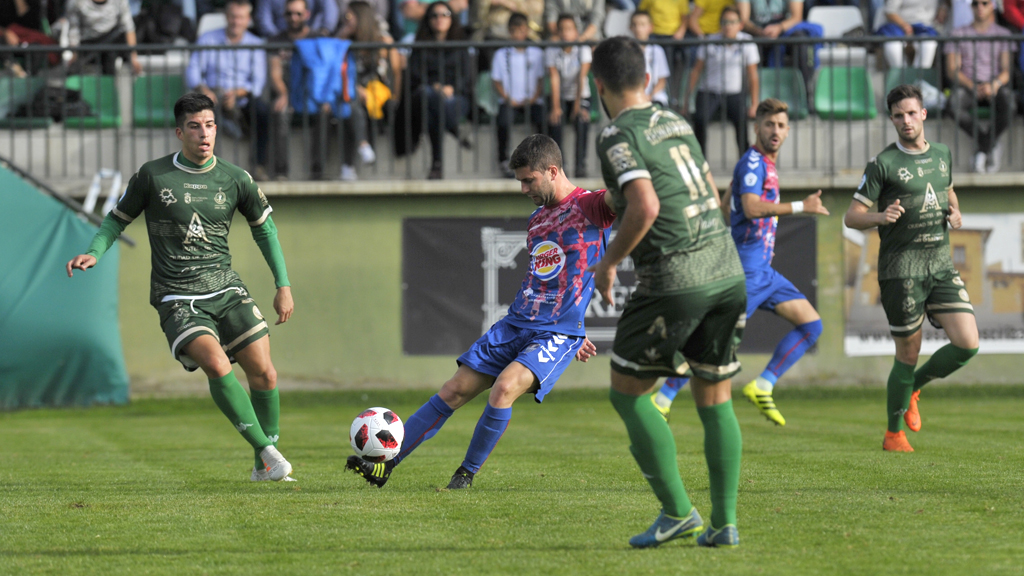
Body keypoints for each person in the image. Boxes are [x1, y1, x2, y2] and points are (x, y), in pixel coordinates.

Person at [345, 134, 613, 489]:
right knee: (454, 390)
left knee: (503, 389)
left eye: (528, 180)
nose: (522, 188)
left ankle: (464, 476)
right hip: (517, 323)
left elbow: (629, 193)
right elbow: (546, 278)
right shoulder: (536, 221)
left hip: (555, 332)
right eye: (519, 180)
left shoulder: (591, 206)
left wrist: (571, 330)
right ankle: (385, 465)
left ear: (552, 171)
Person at [66, 93, 296, 481]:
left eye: (209, 125)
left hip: (225, 287)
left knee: (266, 375)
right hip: (178, 296)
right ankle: (268, 451)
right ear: (179, 132)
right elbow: (116, 219)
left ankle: (262, 466)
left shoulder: (236, 179)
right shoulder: (153, 176)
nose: (203, 133)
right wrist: (94, 251)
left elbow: (266, 231)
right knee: (217, 364)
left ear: (216, 130)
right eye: (194, 126)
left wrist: (283, 285)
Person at [590, 35, 745, 549]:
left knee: (627, 391)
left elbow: (647, 206)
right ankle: (724, 525)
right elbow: (705, 187)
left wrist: (609, 263)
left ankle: (677, 511)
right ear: (650, 79)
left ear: (599, 85)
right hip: (726, 268)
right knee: (715, 395)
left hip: (676, 277)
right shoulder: (678, 122)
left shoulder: (614, 134)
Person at [653, 98, 828, 426]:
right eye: (768, 124)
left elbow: (725, 206)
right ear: (756, 127)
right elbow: (749, 207)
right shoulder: (752, 163)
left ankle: (763, 385)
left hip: (764, 271)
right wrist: (801, 207)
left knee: (812, 325)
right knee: (712, 337)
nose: (774, 131)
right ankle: (662, 399)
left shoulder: (764, 165)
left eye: (780, 125)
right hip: (748, 271)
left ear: (788, 131)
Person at [843, 84, 979, 453]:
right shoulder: (883, 164)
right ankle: (892, 434)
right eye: (898, 115)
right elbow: (851, 216)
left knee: (968, 343)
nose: (905, 120)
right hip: (901, 270)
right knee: (907, 352)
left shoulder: (942, 154)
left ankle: (914, 386)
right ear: (892, 120)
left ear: (923, 114)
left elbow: (947, 191)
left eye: (910, 113)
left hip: (939, 262)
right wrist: (880, 216)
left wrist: (956, 210)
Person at [186, 0, 271, 179]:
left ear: (248, 20)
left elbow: (257, 83)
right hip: (212, 94)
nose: (236, 22)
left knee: (263, 112)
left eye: (240, 17)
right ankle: (206, 168)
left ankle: (259, 166)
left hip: (243, 97)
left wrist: (237, 93)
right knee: (203, 117)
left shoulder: (256, 44)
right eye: (233, 17)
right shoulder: (208, 38)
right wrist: (204, 90)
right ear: (226, 17)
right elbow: (193, 70)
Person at [943, 0, 1015, 173]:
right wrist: (972, 86)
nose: (980, 7)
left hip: (995, 85)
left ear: (993, 6)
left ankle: (982, 150)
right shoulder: (958, 33)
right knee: (953, 105)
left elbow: (1007, 70)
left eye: (984, 3)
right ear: (971, 7)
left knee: (1011, 105)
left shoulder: (1003, 33)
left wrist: (994, 84)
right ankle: (989, 145)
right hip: (968, 85)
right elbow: (952, 70)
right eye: (976, 3)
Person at [336, 0, 403, 179]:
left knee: (350, 105)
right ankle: (362, 145)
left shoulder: (383, 41)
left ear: (361, 18)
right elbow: (333, 69)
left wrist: (395, 97)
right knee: (349, 103)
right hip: (352, 93)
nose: (346, 19)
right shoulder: (343, 42)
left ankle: (348, 164)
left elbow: (396, 73)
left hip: (379, 95)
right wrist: (341, 37)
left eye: (349, 16)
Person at [408, 1, 472, 179]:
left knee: (431, 115)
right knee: (428, 95)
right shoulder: (420, 45)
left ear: (452, 18)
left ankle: (437, 163)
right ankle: (455, 129)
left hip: (455, 98)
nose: (439, 19)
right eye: (434, 15)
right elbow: (414, 76)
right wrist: (435, 86)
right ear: (428, 20)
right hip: (426, 95)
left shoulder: (460, 45)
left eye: (445, 14)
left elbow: (467, 76)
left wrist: (452, 88)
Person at [683, 6, 759, 155]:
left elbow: (752, 75)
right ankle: (700, 163)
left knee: (742, 125)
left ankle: (745, 165)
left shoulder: (747, 42)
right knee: (699, 120)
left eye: (732, 22)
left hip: (734, 92)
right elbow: (696, 71)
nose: (728, 26)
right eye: (724, 22)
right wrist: (686, 101)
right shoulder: (709, 41)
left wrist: (754, 104)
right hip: (709, 91)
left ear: (740, 25)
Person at [267, 0, 329, 179]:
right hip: (286, 94)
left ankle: (318, 171)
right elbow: (275, 74)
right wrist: (285, 94)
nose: (293, 18)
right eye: (289, 14)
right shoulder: (275, 40)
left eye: (298, 14)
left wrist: (319, 97)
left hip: (312, 95)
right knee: (280, 112)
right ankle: (281, 172)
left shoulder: (318, 40)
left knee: (324, 112)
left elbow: (322, 74)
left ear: (307, 15)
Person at [492, 12, 546, 178]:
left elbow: (541, 80)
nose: (518, 34)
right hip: (510, 102)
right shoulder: (501, 54)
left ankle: (544, 160)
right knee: (502, 121)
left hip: (533, 101)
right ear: (509, 31)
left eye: (522, 30)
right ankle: (503, 160)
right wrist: (508, 98)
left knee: (544, 120)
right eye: (515, 30)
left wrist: (534, 97)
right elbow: (496, 81)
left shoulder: (537, 52)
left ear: (527, 30)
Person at [546, 13, 592, 178]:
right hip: (561, 96)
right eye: (562, 29)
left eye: (569, 29)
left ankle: (581, 165)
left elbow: (582, 78)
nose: (566, 33)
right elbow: (554, 78)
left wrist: (578, 105)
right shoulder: (552, 50)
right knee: (555, 121)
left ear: (576, 32)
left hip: (581, 95)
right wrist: (556, 107)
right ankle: (560, 167)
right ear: (557, 32)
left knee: (581, 120)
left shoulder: (583, 49)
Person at [65, 0, 143, 75]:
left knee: (111, 54)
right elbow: (74, 30)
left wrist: (133, 57)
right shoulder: (76, 2)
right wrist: (75, 53)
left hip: (112, 39)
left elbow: (128, 27)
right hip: (88, 44)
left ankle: (110, 84)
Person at [876, 0, 948, 68]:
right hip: (898, 26)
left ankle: (919, 78)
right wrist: (905, 26)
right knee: (892, 45)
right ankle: (901, 77)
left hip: (925, 27)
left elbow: (945, 5)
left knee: (929, 44)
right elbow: (890, 11)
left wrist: (943, 8)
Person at [630, 11, 671, 106]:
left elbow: (662, 81)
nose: (638, 29)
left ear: (650, 27)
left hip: (655, 98)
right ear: (630, 27)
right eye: (635, 25)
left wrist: (649, 96)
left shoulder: (657, 50)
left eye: (642, 24)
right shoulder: (626, 51)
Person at [256, 0, 339, 37]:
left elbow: (330, 10)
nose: (294, 18)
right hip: (280, 40)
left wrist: (324, 31)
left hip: (310, 39)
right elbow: (263, 19)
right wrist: (278, 40)